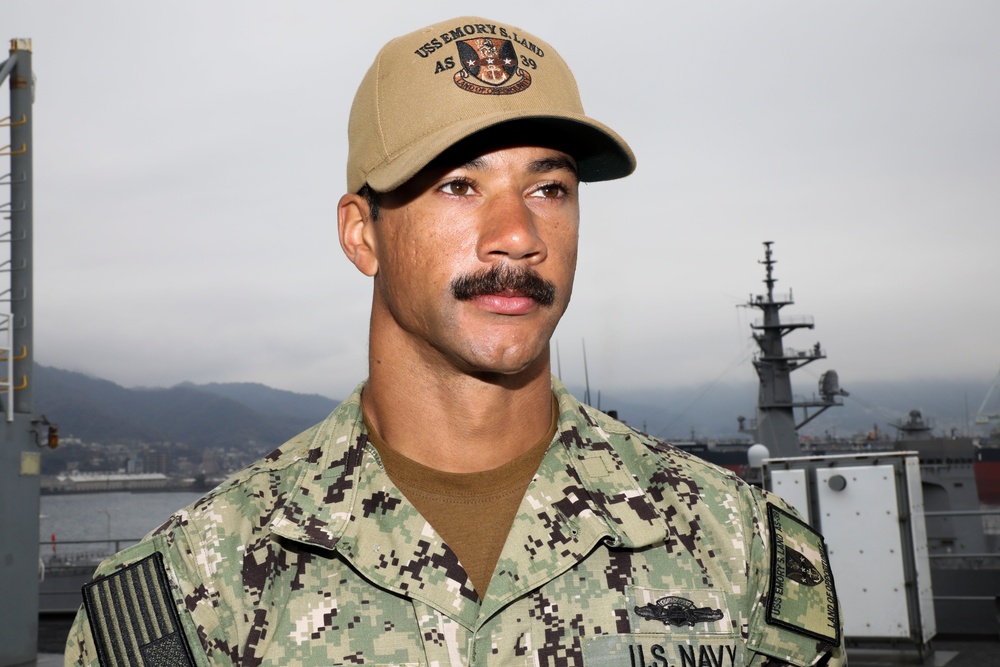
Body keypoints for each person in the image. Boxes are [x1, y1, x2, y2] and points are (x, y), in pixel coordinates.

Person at [65, 16, 846, 667]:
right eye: (458, 186)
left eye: (549, 188)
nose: (517, 235)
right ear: (360, 232)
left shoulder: (741, 553)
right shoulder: (193, 597)